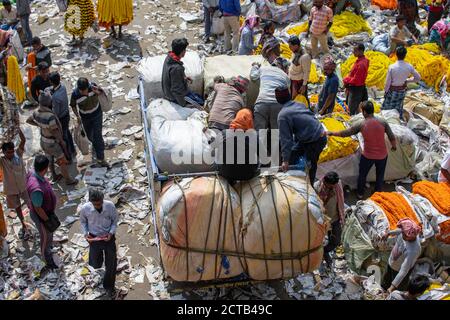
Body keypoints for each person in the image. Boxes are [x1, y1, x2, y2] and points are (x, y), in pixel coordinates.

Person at [328, 101, 397, 199]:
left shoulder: (361, 124)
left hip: (368, 155)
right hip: (382, 155)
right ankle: (378, 193)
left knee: (362, 175)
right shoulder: (383, 122)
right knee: (380, 175)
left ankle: (360, 193)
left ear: (364, 112)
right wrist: (394, 147)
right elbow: (391, 136)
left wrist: (331, 133)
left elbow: (346, 133)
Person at [277, 86, 327, 185]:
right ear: (289, 96)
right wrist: (287, 159)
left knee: (310, 165)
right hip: (316, 133)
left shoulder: (283, 116)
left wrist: (285, 160)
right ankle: (286, 176)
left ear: (277, 100)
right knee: (293, 153)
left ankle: (309, 186)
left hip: (316, 139)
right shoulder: (299, 104)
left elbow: (286, 140)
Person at [26, 92, 78, 185]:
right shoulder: (50, 116)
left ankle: (54, 176)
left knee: (49, 159)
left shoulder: (36, 112)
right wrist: (62, 141)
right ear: (49, 103)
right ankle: (68, 180)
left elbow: (28, 120)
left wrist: (40, 125)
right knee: (62, 161)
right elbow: (55, 131)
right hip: (52, 143)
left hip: (43, 141)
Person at [80, 188, 118, 298]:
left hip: (108, 237)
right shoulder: (85, 209)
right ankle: (100, 273)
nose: (98, 206)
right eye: (95, 204)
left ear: (103, 199)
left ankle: (109, 286)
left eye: (100, 203)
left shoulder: (110, 206)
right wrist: (85, 233)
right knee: (95, 263)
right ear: (91, 202)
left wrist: (111, 233)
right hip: (94, 237)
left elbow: (115, 221)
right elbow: (83, 222)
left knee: (111, 263)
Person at [26, 155, 59, 269]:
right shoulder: (36, 188)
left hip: (47, 212)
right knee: (45, 237)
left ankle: (49, 250)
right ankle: (47, 260)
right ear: (45, 168)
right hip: (42, 216)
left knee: (49, 235)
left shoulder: (34, 173)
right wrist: (47, 221)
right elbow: (38, 208)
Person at [250, 38, 290, 131]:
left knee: (260, 132)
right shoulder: (285, 76)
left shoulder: (264, 69)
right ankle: (274, 145)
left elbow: (253, 76)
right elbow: (287, 93)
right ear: (283, 67)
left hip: (262, 103)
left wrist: (255, 66)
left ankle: (259, 145)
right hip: (277, 104)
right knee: (275, 132)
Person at [70, 78, 109, 167]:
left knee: (97, 135)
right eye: (82, 91)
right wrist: (77, 116)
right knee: (90, 136)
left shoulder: (93, 87)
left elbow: (103, 93)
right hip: (85, 117)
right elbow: (73, 105)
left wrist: (98, 91)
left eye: (86, 90)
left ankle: (101, 158)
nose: (85, 93)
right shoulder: (75, 94)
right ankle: (98, 146)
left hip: (97, 114)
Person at [0, 129, 30, 240]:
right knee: (17, 208)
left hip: (23, 186)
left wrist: (18, 129)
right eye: (8, 152)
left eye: (12, 151)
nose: (11, 154)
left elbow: (23, 141)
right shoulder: (2, 161)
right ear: (3, 152)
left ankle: (35, 221)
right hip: (11, 190)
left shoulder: (18, 154)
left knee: (31, 203)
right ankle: (23, 225)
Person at [217, 108, 260, 183]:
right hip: (248, 175)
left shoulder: (224, 133)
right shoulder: (254, 136)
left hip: (225, 173)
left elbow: (212, 147)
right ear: (250, 120)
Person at [381, 218, 422, 292]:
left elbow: (404, 270)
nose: (401, 234)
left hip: (399, 271)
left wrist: (392, 287)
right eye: (402, 232)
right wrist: (389, 233)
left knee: (397, 290)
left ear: (409, 237)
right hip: (391, 263)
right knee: (385, 283)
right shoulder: (406, 232)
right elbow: (399, 231)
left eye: (403, 234)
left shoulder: (413, 250)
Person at [161, 38, 204, 108]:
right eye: (185, 50)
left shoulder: (169, 58)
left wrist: (184, 78)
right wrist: (184, 104)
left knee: (197, 97)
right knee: (200, 103)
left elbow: (172, 76)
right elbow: (176, 90)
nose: (185, 51)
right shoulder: (177, 68)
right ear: (182, 51)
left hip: (168, 92)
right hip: (174, 97)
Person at [314, 172, 345, 267]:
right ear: (325, 182)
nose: (333, 187)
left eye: (334, 185)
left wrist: (341, 216)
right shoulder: (317, 187)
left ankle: (325, 251)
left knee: (336, 241)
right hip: (321, 220)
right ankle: (316, 254)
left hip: (334, 218)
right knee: (317, 239)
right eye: (331, 185)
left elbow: (340, 200)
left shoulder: (337, 185)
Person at [382, 46, 420, 120]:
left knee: (387, 109)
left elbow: (387, 83)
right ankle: (397, 122)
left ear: (396, 54)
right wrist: (408, 80)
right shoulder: (409, 66)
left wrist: (385, 92)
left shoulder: (392, 67)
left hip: (392, 91)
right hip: (401, 91)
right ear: (405, 55)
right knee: (398, 108)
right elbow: (418, 78)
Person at [48, 71, 76, 161]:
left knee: (64, 138)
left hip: (61, 118)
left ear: (51, 82)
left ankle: (69, 156)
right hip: (66, 113)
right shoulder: (63, 87)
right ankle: (73, 150)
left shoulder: (55, 97)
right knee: (67, 132)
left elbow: (55, 112)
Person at [343, 43, 369, 115]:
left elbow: (356, 80)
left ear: (361, 51)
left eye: (355, 51)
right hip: (360, 86)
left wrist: (346, 80)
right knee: (357, 106)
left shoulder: (361, 64)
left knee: (350, 109)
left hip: (356, 89)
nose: (353, 52)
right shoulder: (363, 60)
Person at [288, 35, 311, 101]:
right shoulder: (295, 53)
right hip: (293, 81)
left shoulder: (304, 57)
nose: (289, 48)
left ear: (296, 46)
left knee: (301, 100)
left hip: (299, 83)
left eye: (290, 46)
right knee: (294, 100)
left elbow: (306, 72)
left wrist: (304, 86)